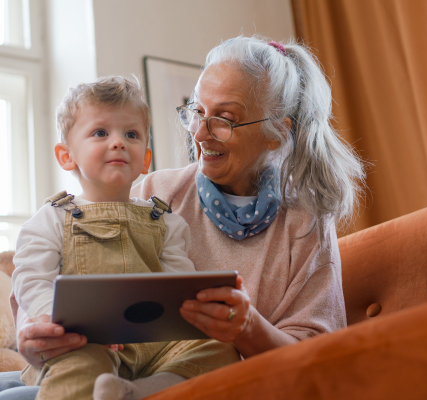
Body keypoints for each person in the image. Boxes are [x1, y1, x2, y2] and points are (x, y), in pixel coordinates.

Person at [0, 35, 365, 399]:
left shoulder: (305, 224)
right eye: (196, 111)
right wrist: (37, 341)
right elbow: (39, 285)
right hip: (97, 359)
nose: (200, 133)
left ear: (276, 133)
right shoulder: (157, 191)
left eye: (224, 119)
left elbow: (320, 362)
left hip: (201, 379)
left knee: (216, 351)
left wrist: (246, 328)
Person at [5, 76, 240, 400]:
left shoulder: (165, 220)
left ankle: (132, 393)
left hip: (152, 345)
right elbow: (31, 278)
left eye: (131, 134)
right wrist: (50, 322)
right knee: (79, 360)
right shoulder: (51, 218)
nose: (118, 142)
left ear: (145, 158)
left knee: (218, 348)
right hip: (77, 342)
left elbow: (178, 283)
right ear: (66, 156)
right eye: (100, 133)